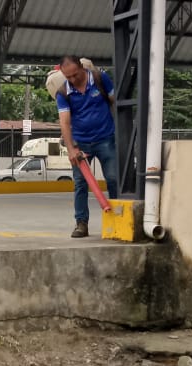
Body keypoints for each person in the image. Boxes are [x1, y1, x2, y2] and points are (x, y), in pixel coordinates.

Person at [55, 55, 118, 238]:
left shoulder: (100, 78)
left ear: (82, 67)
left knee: (113, 178)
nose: (73, 79)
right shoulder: (63, 93)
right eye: (68, 77)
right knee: (80, 184)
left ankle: (117, 221)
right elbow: (65, 122)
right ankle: (81, 223)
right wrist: (71, 149)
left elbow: (116, 102)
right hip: (80, 144)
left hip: (106, 138)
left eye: (75, 75)